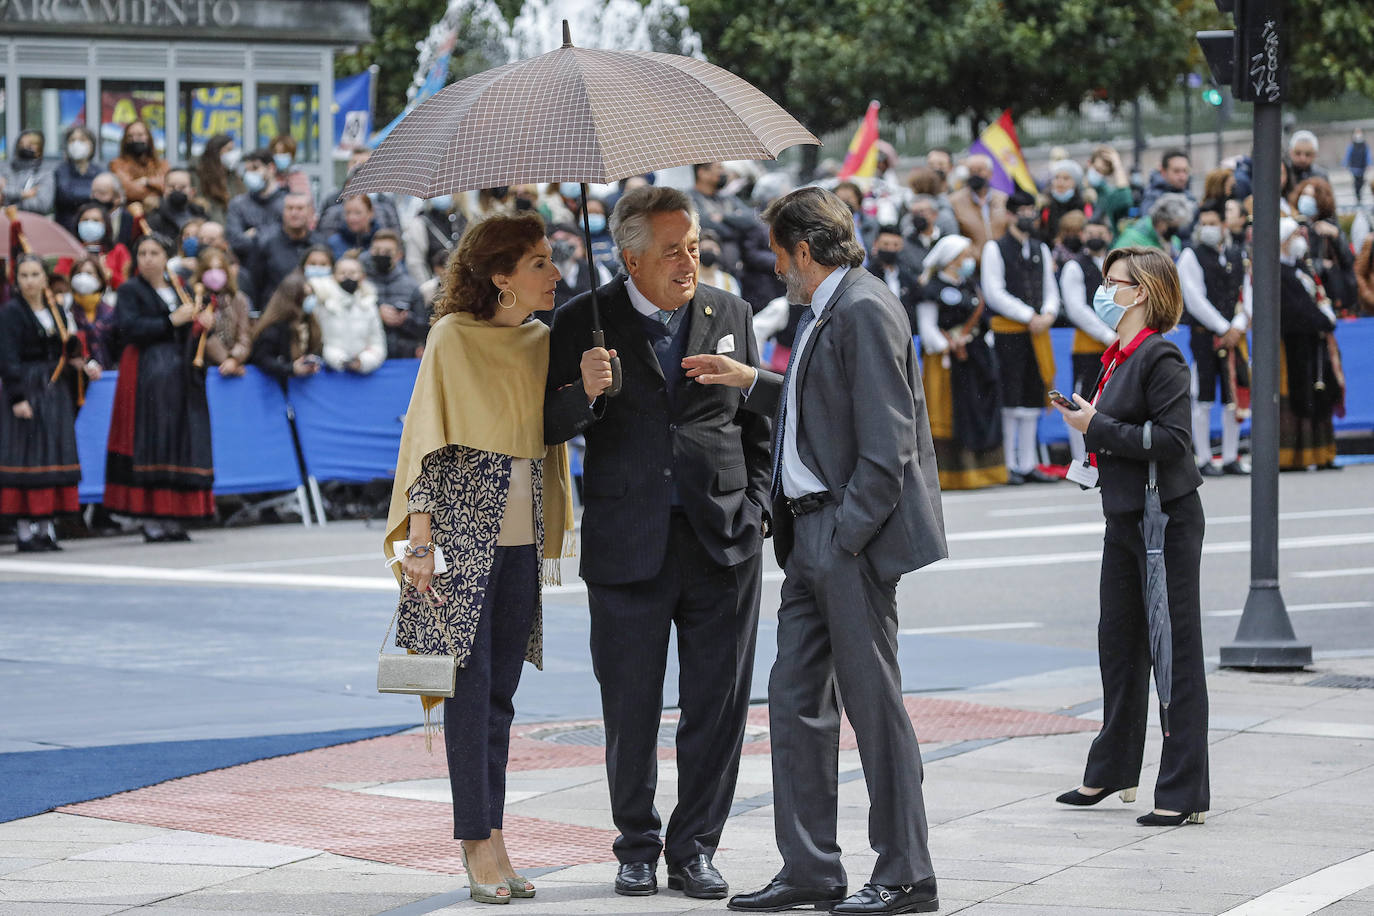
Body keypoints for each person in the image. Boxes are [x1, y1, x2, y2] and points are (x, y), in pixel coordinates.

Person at [700, 186, 946, 916]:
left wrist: (845, 538)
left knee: (875, 710)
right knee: (795, 705)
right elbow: (822, 401)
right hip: (810, 535)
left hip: (844, 537)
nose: (776, 268)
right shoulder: (833, 304)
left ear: (803, 250)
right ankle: (810, 869)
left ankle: (906, 874)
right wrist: (753, 383)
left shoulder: (864, 308)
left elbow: (888, 441)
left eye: (778, 255)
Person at [544, 186, 772, 901]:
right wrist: (583, 391)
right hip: (626, 542)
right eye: (672, 249)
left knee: (718, 703)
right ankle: (636, 846)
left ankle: (695, 846)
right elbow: (542, 426)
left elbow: (761, 424)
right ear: (631, 256)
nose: (689, 259)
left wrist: (758, 508)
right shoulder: (583, 318)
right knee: (631, 704)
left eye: (695, 244)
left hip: (723, 540)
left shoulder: (729, 311)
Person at [382, 211, 574, 905]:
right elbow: (426, 445)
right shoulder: (451, 339)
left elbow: (555, 427)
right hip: (460, 543)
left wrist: (591, 384)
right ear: (502, 278)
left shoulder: (543, 341)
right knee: (469, 696)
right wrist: (421, 545)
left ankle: (494, 836)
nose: (554, 274)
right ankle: (476, 843)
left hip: (523, 538)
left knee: (500, 699)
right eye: (540, 264)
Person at [1053, 246, 1209, 828]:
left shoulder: (1161, 356)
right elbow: (1115, 430)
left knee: (1174, 650)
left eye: (1112, 282)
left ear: (1140, 291)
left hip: (1162, 519)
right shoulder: (1117, 355)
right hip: (1123, 516)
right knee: (1118, 644)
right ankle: (1112, 769)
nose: (1103, 289)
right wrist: (1090, 422)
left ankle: (1183, 788)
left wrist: (1099, 426)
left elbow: (1171, 440)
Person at [104, 234, 215, 541]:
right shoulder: (130, 290)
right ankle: (152, 518)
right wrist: (170, 320)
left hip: (178, 372)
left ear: (166, 257)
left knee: (177, 440)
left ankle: (173, 516)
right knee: (152, 439)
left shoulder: (181, 287)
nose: (148, 258)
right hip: (147, 371)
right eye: (142, 253)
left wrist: (200, 324)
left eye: (154, 252)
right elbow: (128, 329)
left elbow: (186, 328)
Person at [0, 255, 101, 551]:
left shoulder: (58, 311)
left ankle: (46, 529)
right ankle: (24, 531)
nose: (29, 281)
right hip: (28, 386)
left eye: (35, 274)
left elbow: (69, 352)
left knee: (51, 454)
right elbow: (6, 358)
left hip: (54, 391)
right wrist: (17, 397)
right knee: (26, 454)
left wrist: (84, 365)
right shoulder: (10, 314)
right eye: (24, 276)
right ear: (16, 281)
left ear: (45, 278)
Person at [914, 235, 1006, 490]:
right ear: (950, 260)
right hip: (946, 361)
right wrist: (949, 345)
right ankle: (949, 475)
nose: (968, 260)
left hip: (974, 360)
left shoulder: (971, 285)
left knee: (978, 410)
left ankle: (985, 472)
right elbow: (927, 327)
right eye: (964, 255)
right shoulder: (930, 288)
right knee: (948, 413)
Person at [981, 189, 1061, 484]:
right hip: (1008, 333)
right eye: (1023, 211)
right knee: (1010, 398)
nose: (1028, 215)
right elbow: (994, 291)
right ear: (1011, 215)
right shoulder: (995, 248)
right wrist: (1029, 316)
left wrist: (1049, 313)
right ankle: (1009, 463)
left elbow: (1051, 287)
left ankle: (1028, 463)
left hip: (1038, 331)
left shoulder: (1041, 248)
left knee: (1032, 397)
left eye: (1032, 210)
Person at [1175, 201, 1249, 475]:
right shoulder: (1190, 255)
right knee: (1202, 396)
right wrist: (1222, 327)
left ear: (1223, 226)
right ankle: (1203, 457)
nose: (1208, 229)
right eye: (1203, 224)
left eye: (1213, 223)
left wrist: (1238, 325)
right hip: (1205, 335)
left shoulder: (1236, 253)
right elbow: (1194, 299)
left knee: (1235, 396)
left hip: (1235, 336)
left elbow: (1247, 292)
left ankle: (1230, 456)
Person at [1275, 218, 1339, 470]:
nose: (1298, 241)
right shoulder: (1278, 274)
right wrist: (1323, 321)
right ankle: (1296, 457)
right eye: (1292, 237)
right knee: (1297, 397)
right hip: (1294, 343)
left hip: (1313, 342)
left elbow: (1317, 297)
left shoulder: (1301, 268)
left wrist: (1325, 315)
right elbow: (1297, 310)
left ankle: (1321, 455)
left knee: (1319, 394)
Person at [1058, 220, 1117, 464]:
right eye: (1090, 233)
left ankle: (1104, 455)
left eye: (1100, 233)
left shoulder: (1116, 266)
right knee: (1083, 399)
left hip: (1116, 345)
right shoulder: (1074, 267)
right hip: (1088, 345)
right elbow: (1076, 309)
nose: (1095, 237)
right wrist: (1107, 334)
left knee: (1110, 401)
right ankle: (1080, 458)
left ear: (1109, 235)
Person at [245, 193, 326, 310]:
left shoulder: (320, 243)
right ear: (283, 212)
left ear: (310, 212)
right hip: (275, 313)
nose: (294, 213)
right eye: (290, 208)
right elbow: (255, 282)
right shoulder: (265, 243)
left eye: (300, 208)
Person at [1293, 177, 1356, 316]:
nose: (1306, 199)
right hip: (1306, 292)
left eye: (1311, 196)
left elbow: (1348, 261)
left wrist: (1336, 235)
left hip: (1331, 293)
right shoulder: (1294, 226)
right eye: (1304, 195)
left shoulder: (1330, 225)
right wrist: (1321, 264)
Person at [313, 255, 386, 374]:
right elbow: (318, 341)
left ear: (362, 277)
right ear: (333, 276)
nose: (348, 277)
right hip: (330, 373)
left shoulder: (369, 305)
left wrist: (363, 361)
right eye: (342, 273)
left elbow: (377, 343)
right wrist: (340, 360)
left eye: (353, 273)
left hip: (363, 374)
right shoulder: (323, 304)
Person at [248, 272, 323, 381]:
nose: (310, 300)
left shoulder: (310, 321)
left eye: (311, 295)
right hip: (278, 385)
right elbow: (263, 359)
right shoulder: (273, 328)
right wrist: (291, 368)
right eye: (306, 295)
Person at [190, 247, 252, 377]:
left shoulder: (239, 299)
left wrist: (234, 359)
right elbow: (201, 336)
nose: (214, 274)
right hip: (203, 369)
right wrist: (225, 360)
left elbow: (244, 336)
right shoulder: (195, 299)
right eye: (208, 269)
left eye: (219, 268)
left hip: (233, 364)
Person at [368, 230, 429, 359]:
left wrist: (405, 320)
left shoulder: (412, 286)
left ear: (399, 255)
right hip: (369, 358)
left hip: (404, 358)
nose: (381, 255)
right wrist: (377, 314)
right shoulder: (362, 284)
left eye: (387, 252)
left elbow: (424, 327)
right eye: (377, 251)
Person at [226, 151, 286, 261]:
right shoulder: (238, 204)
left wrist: (255, 234)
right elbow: (235, 242)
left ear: (271, 168)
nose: (250, 174)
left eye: (255, 168)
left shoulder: (287, 203)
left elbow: (289, 240)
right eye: (247, 170)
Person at [67, 256, 120, 370]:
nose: (83, 277)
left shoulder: (112, 313)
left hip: (108, 375)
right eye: (79, 273)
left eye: (89, 273)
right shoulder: (67, 312)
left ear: (100, 279)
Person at [949, 154, 1010, 250]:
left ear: (990, 173)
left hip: (1001, 258)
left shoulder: (1003, 199)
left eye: (980, 170)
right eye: (972, 171)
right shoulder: (954, 201)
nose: (975, 175)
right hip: (973, 261)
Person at [404, 194, 468, 285]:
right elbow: (415, 263)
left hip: (464, 285)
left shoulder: (463, 219)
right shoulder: (420, 223)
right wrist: (429, 288)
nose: (444, 194)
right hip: (435, 287)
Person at [867, 224, 920, 331]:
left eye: (895, 245)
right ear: (876, 244)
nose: (890, 249)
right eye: (886, 244)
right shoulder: (867, 276)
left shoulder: (908, 276)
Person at [71, 202, 133, 290]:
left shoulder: (119, 250)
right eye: (85, 220)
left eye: (96, 220)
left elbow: (126, 287)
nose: (90, 224)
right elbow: (61, 283)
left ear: (106, 225)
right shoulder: (70, 251)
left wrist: (108, 274)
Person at [109, 121, 168, 207]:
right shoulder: (117, 164)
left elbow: (167, 187)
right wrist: (155, 189)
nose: (135, 139)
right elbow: (128, 191)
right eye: (130, 136)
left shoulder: (162, 164)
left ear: (148, 138)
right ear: (125, 140)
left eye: (140, 135)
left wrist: (146, 181)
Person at [54, 126, 101, 230]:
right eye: (72, 140)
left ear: (92, 145)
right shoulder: (61, 171)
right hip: (66, 228)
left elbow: (104, 198)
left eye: (82, 140)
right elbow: (66, 195)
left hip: (94, 227)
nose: (76, 144)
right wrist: (92, 195)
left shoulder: (99, 171)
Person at [1114, 193, 1194, 253]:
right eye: (1172, 226)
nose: (1174, 231)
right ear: (1161, 220)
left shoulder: (1174, 241)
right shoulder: (1132, 239)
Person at [0, 130, 56, 215]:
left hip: (33, 224)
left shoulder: (44, 174)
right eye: (21, 144)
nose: (24, 148)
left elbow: (42, 205)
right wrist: (24, 194)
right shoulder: (6, 170)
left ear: (39, 151)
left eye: (30, 145)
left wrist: (12, 207)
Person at [196, 134, 245, 225]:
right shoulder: (199, 174)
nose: (232, 154)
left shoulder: (232, 175)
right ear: (216, 151)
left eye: (233, 150)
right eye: (229, 150)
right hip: (212, 226)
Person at [147, 168, 209, 240]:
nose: (177, 190)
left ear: (192, 191)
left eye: (182, 187)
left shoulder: (201, 214)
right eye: (172, 187)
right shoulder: (155, 217)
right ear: (164, 189)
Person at [1042, 160, 1086, 243]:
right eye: (1056, 177)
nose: (1060, 182)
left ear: (1075, 183)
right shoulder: (1046, 205)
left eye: (1066, 178)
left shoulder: (1084, 204)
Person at [1139, 149, 1193, 216]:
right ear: (1163, 172)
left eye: (1185, 171)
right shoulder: (1153, 198)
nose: (1182, 176)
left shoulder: (1189, 196)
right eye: (1176, 171)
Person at [328, 194, 380, 259]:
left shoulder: (381, 242)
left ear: (370, 213)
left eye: (358, 212)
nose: (352, 218)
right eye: (348, 212)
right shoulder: (334, 243)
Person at [697, 230, 742, 297]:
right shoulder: (690, 280)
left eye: (711, 249)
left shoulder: (729, 281)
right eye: (703, 250)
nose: (707, 253)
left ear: (719, 251)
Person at [1344, 128, 1369, 206]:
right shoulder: (1352, 145)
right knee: (1356, 182)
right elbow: (1347, 155)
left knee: (1361, 182)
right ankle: (1358, 196)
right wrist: (1345, 164)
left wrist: (1369, 164)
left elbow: (1368, 155)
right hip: (1354, 167)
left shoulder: (1364, 145)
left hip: (1362, 167)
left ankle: (1359, 195)